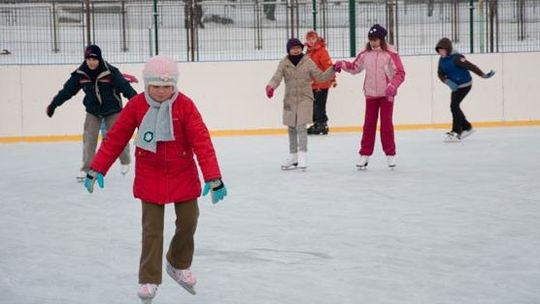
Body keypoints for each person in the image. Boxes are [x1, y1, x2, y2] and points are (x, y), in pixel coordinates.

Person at [83, 55, 227, 303]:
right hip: (150, 175)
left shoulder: (185, 105)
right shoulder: (137, 106)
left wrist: (213, 177)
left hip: (183, 172)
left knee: (189, 221)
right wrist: (97, 168)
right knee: (152, 230)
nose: (162, 92)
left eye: (167, 87)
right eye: (156, 87)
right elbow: (116, 138)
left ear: (175, 85)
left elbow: (202, 141)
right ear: (147, 85)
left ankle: (177, 263)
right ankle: (149, 277)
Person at [46, 44, 137, 181]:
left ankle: (125, 160)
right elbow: (67, 91)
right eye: (88, 59)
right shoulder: (80, 74)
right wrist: (53, 104)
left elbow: (126, 88)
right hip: (93, 111)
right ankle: (86, 168)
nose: (91, 62)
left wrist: (137, 104)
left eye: (94, 59)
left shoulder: (110, 72)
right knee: (89, 139)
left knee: (118, 136)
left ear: (99, 59)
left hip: (113, 110)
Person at [334, 24, 405, 170]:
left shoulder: (391, 54)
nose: (373, 42)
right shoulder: (365, 54)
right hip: (371, 94)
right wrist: (342, 64)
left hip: (387, 94)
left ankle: (390, 154)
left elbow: (400, 73)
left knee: (386, 125)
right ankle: (364, 154)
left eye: (376, 39)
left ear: (382, 39)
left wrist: (393, 85)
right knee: (369, 125)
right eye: (371, 39)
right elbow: (355, 67)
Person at [266, 38, 336, 170]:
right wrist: (270, 87)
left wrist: (333, 69)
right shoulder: (284, 63)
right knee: (291, 127)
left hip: (305, 97)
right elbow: (277, 77)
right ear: (288, 50)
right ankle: (293, 156)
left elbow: (320, 77)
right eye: (293, 48)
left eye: (298, 47)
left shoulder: (307, 61)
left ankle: (303, 155)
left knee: (301, 125)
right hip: (290, 98)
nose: (296, 50)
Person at [435, 37, 495, 142]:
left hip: (465, 85)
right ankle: (467, 127)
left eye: (443, 50)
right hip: (455, 86)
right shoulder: (441, 60)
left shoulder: (457, 58)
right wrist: (447, 82)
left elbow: (471, 66)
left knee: (454, 105)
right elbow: (440, 74)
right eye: (439, 51)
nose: (441, 53)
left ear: (448, 49)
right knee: (454, 106)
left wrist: (483, 75)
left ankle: (457, 131)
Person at [304, 30, 336, 135]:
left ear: (316, 39)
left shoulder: (322, 51)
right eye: (309, 39)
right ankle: (317, 123)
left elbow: (328, 66)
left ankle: (322, 124)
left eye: (313, 39)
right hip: (312, 84)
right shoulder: (308, 52)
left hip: (322, 83)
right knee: (313, 104)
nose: (311, 41)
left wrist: (333, 79)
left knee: (319, 105)